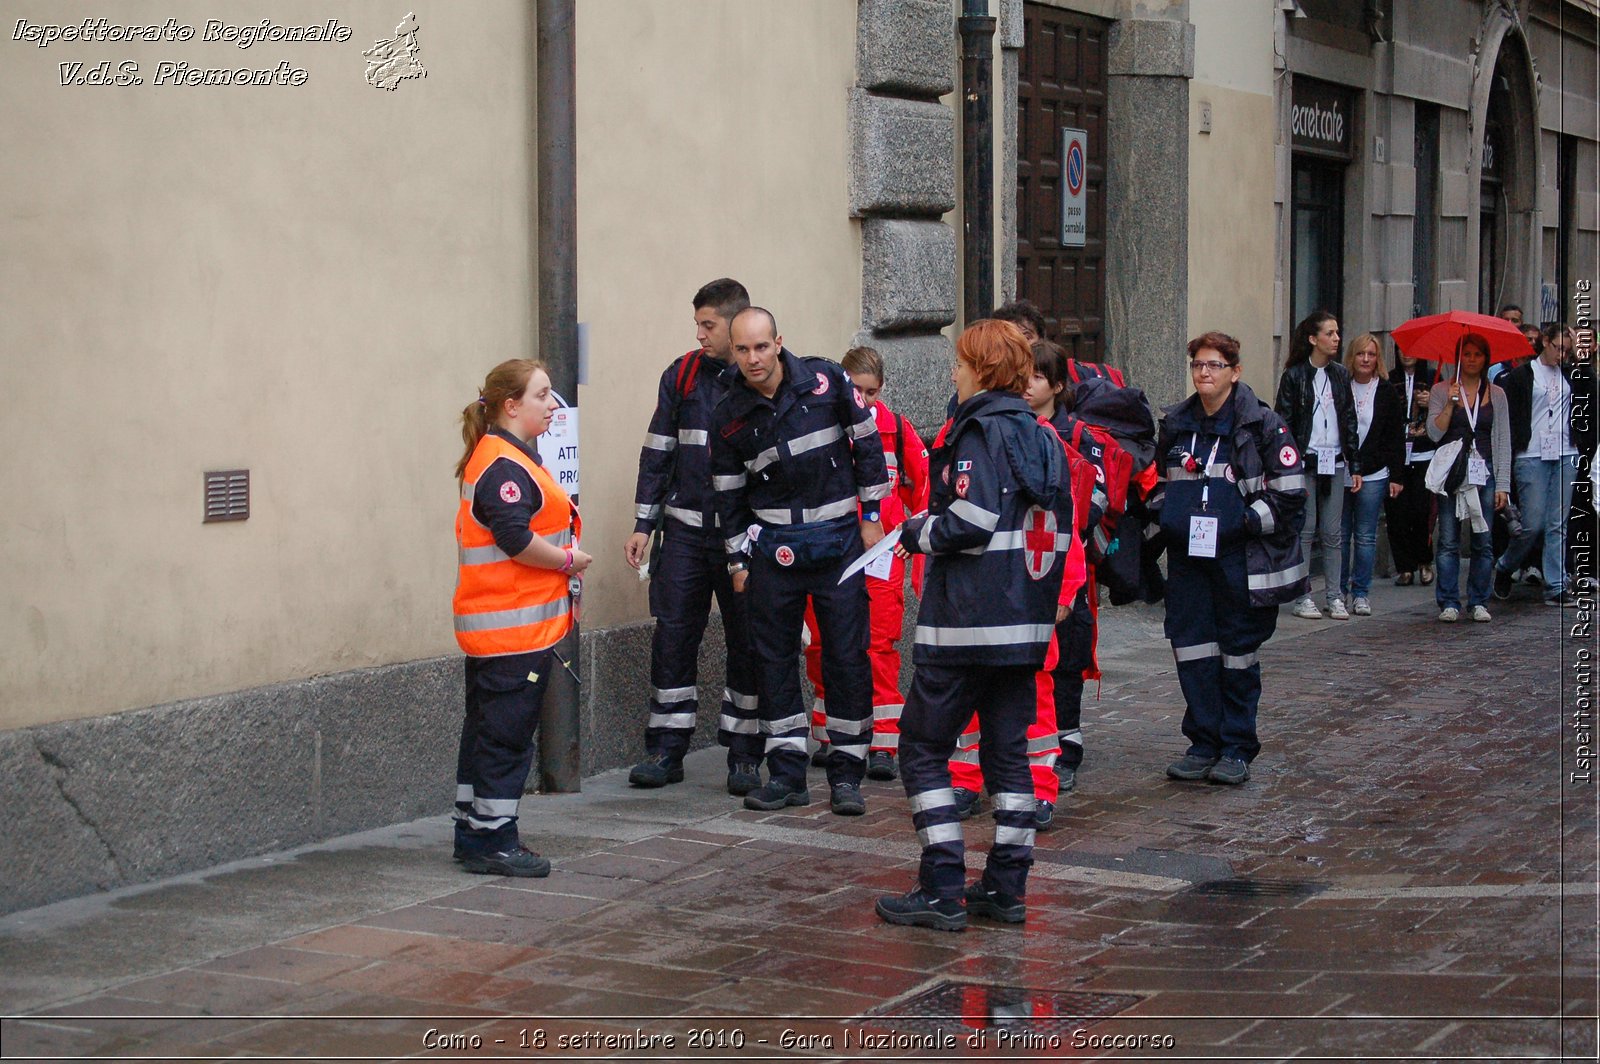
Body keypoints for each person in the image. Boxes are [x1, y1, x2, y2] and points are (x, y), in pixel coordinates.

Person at [874, 320, 1073, 932]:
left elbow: (969, 520)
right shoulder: (1044, 438)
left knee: (923, 749)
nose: (953, 373)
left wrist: (915, 530)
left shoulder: (978, 432)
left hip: (964, 626)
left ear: (982, 370)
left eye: (960, 363)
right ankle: (1006, 887)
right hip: (1023, 628)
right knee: (1009, 758)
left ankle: (941, 885)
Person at [712, 307, 890, 816]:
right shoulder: (729, 413)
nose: (753, 359)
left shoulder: (827, 380)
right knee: (773, 662)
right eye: (743, 350)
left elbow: (868, 443)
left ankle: (847, 775)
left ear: (778, 342)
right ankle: (787, 773)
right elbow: (727, 498)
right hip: (773, 553)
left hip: (838, 546)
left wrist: (872, 514)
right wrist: (737, 561)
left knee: (846, 659)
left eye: (761, 347)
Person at [452, 359, 593, 877]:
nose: (552, 405)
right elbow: (515, 539)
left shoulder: (503, 457)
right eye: (542, 395)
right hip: (511, 631)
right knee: (505, 740)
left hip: (503, 628)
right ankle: (494, 841)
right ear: (511, 406)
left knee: (487, 733)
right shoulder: (504, 467)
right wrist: (566, 561)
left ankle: (475, 831)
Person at [623, 279, 765, 795]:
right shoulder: (681, 375)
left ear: (735, 323)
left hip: (741, 540)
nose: (700, 335)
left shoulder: (761, 377)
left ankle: (746, 756)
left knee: (748, 643)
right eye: (698, 325)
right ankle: (665, 747)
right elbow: (657, 450)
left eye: (708, 325)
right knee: (673, 636)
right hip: (683, 533)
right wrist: (645, 523)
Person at [945, 339, 1090, 830]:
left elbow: (1062, 526)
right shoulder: (958, 432)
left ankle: (1037, 787)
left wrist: (1064, 592)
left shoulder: (1043, 442)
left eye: (961, 364)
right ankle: (965, 781)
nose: (952, 374)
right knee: (964, 691)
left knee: (1034, 699)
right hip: (974, 593)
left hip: (1026, 590)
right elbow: (940, 505)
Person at [1152, 332, 1307, 785]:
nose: (1204, 372)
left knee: (1237, 653)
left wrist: (1240, 524)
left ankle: (1237, 747)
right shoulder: (1177, 424)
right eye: (1198, 364)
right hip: (1189, 560)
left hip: (1241, 559)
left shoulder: (1263, 426)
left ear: (1234, 372)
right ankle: (1203, 743)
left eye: (1214, 365)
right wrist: (1172, 516)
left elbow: (1291, 493)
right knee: (1193, 647)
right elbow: (1158, 483)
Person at [802, 345, 929, 781]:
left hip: (881, 553)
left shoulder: (895, 428)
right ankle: (828, 732)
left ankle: (883, 741)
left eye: (872, 391)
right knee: (822, 644)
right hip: (831, 548)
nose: (865, 399)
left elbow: (924, 487)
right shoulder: (819, 424)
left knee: (878, 647)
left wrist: (906, 534)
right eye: (856, 389)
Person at [1493, 321, 1586, 606]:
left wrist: (1580, 357)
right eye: (1558, 348)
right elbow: (1509, 416)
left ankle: (1555, 585)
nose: (1561, 355)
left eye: (1566, 351)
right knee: (1532, 524)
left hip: (1565, 451)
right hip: (1531, 453)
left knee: (1558, 522)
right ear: (1545, 342)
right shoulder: (1522, 376)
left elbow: (1590, 389)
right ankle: (1506, 565)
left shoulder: (1570, 373)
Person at [1275, 311, 1361, 620]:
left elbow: (1349, 419)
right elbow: (1282, 422)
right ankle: (1302, 595)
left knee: (1333, 532)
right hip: (1305, 462)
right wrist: (1288, 463)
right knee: (1306, 529)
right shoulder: (1295, 375)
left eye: (1337, 332)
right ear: (1313, 339)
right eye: (1330, 333)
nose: (1337, 338)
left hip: (1335, 461)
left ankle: (1335, 595)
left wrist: (1355, 463)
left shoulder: (1340, 374)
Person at [1426, 333, 1511, 623]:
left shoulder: (1496, 394)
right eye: (1467, 354)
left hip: (1483, 472)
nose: (1472, 359)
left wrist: (1503, 484)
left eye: (1477, 354)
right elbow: (1434, 433)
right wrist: (1450, 404)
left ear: (1486, 359)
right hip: (1453, 473)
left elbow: (1503, 440)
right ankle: (1449, 600)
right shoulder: (1441, 389)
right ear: (1458, 357)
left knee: (1483, 539)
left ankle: (1478, 600)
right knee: (1448, 538)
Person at [1337, 334, 1406, 615]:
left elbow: (1394, 437)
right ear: (1352, 358)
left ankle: (1361, 592)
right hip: (1341, 470)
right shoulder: (1341, 386)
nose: (1366, 359)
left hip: (1375, 472)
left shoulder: (1387, 391)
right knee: (1339, 535)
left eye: (1371, 354)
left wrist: (1397, 476)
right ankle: (1338, 590)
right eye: (1360, 354)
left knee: (1365, 535)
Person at [1386, 352, 1437, 586]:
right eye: (1402, 349)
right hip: (1397, 454)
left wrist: (1432, 402)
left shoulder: (1431, 377)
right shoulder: (1389, 378)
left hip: (1424, 453)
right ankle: (1404, 566)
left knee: (1421, 510)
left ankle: (1424, 560)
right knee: (1397, 513)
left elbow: (1446, 412)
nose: (1406, 355)